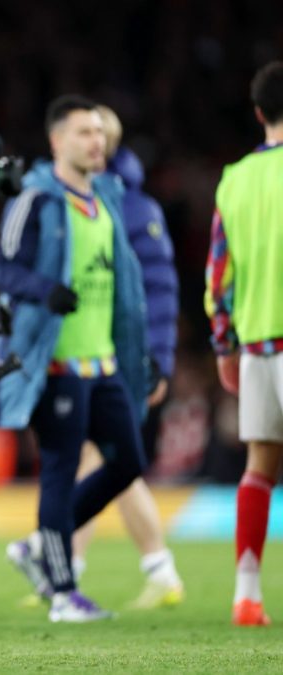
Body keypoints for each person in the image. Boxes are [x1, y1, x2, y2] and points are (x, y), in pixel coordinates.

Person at [0, 95, 149, 622]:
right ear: (57, 140)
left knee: (129, 462)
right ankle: (61, 593)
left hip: (102, 364)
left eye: (99, 132)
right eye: (84, 132)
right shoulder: (35, 199)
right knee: (58, 472)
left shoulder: (106, 198)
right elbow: (3, 270)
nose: (96, 141)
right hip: (54, 364)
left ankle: (40, 544)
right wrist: (44, 290)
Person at [69, 105, 184, 610]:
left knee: (103, 456)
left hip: (122, 355)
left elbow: (157, 292)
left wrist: (157, 358)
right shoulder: (79, 200)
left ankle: (64, 570)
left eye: (92, 134)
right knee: (105, 456)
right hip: (90, 350)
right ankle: (149, 570)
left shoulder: (133, 209)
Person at [205, 60, 283, 627]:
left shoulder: (234, 178)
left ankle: (247, 595)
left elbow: (218, 275)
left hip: (257, 346)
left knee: (259, 465)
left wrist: (224, 345)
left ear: (259, 113)